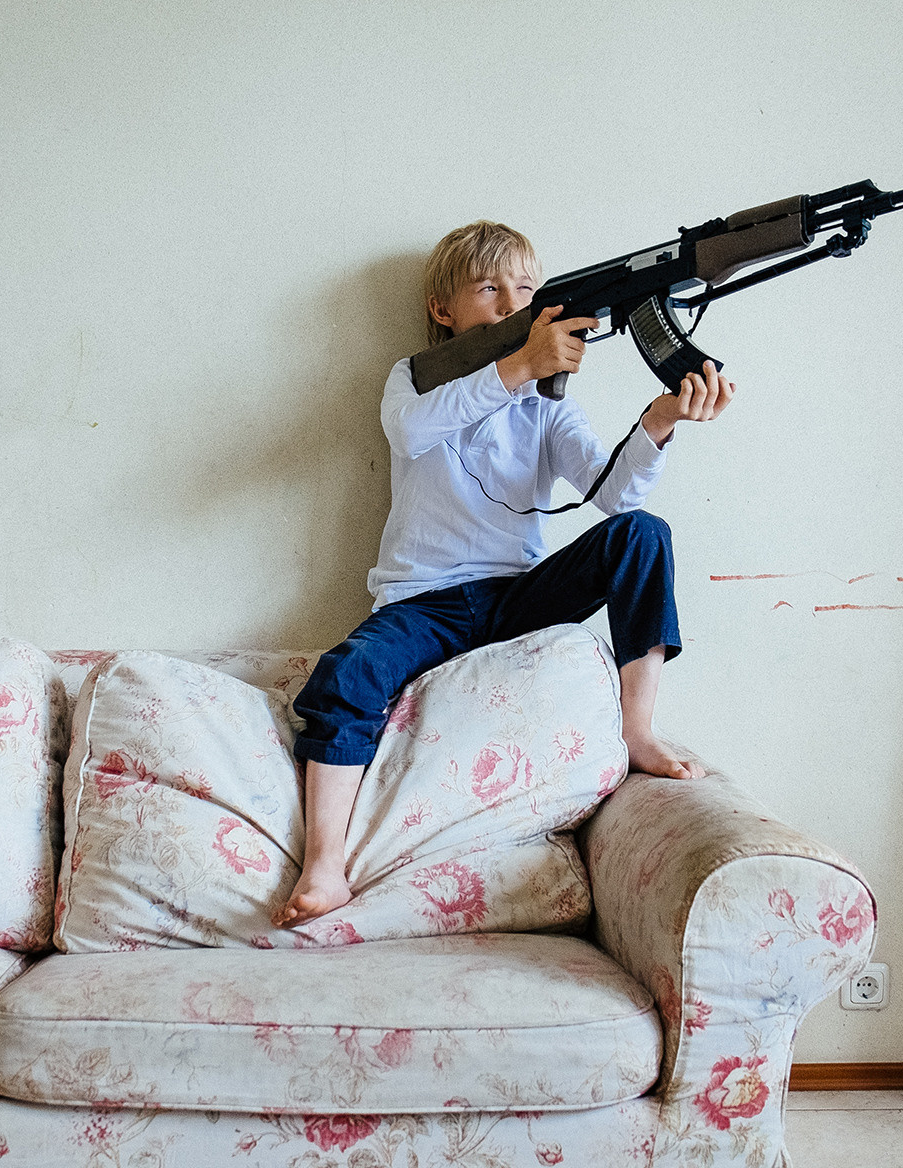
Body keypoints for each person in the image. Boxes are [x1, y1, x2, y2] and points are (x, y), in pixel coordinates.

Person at [274, 220, 735, 929]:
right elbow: (411, 431)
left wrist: (660, 421)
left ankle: (638, 728)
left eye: (523, 289)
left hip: (519, 595)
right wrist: (516, 366)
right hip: (421, 602)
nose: (508, 303)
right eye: (488, 290)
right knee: (347, 675)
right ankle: (325, 865)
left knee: (642, 536)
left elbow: (613, 494)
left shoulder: (546, 403)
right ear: (442, 308)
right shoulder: (411, 379)